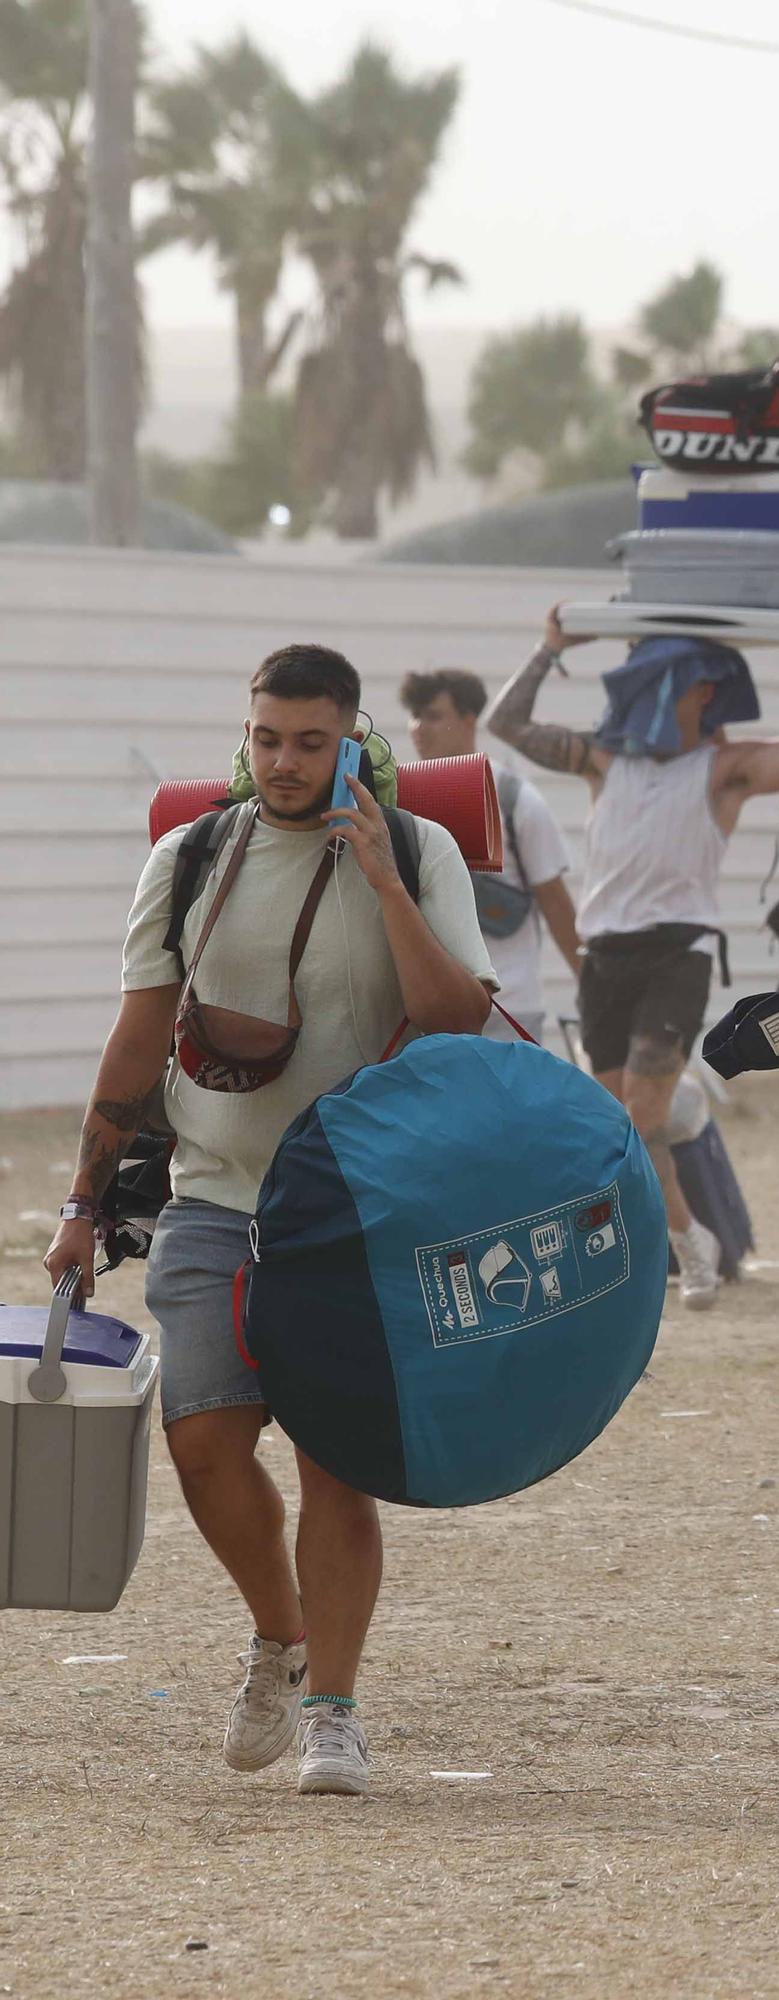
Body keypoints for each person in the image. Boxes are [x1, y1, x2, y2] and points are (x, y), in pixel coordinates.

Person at [43, 644, 496, 1799]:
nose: (284, 762)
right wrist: (83, 1204)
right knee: (201, 1442)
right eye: (266, 738)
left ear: (350, 738)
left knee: (335, 1460)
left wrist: (385, 879)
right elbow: (139, 1036)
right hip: (209, 1194)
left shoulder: (422, 847)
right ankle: (281, 1639)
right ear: (244, 736)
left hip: (359, 1203)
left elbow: (454, 1019)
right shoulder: (191, 855)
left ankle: (335, 1711)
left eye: (309, 741)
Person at [486, 606, 779, 1312]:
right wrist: (550, 646)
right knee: (620, 1126)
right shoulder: (603, 760)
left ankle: (671, 1254)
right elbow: (506, 725)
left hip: (676, 954)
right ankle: (690, 1239)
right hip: (605, 958)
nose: (685, 696)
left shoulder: (722, 767)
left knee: (642, 1115)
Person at [399, 667, 581, 1045]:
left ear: (469, 720)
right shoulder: (403, 799)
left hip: (509, 1010)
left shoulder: (515, 800)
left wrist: (592, 987)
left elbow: (555, 902)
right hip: (427, 1013)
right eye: (415, 716)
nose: (419, 727)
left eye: (433, 715)